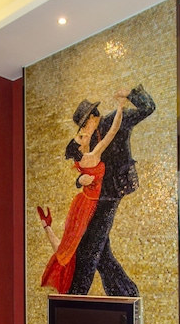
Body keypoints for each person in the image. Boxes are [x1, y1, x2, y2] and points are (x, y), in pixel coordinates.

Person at [67, 84, 155, 296]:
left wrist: (130, 94)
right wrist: (80, 181)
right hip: (95, 195)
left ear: (92, 117)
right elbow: (84, 168)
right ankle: (126, 294)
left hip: (112, 191)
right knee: (101, 250)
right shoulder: (86, 140)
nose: (82, 130)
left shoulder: (115, 119)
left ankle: (76, 295)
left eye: (84, 124)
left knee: (89, 247)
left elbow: (148, 108)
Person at [38, 96, 127, 294]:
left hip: (85, 204)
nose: (84, 133)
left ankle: (47, 227)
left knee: (72, 247)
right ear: (80, 147)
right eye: (80, 136)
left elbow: (111, 132)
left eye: (83, 131)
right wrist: (120, 107)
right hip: (87, 206)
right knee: (72, 247)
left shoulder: (87, 155)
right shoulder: (91, 156)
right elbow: (112, 132)